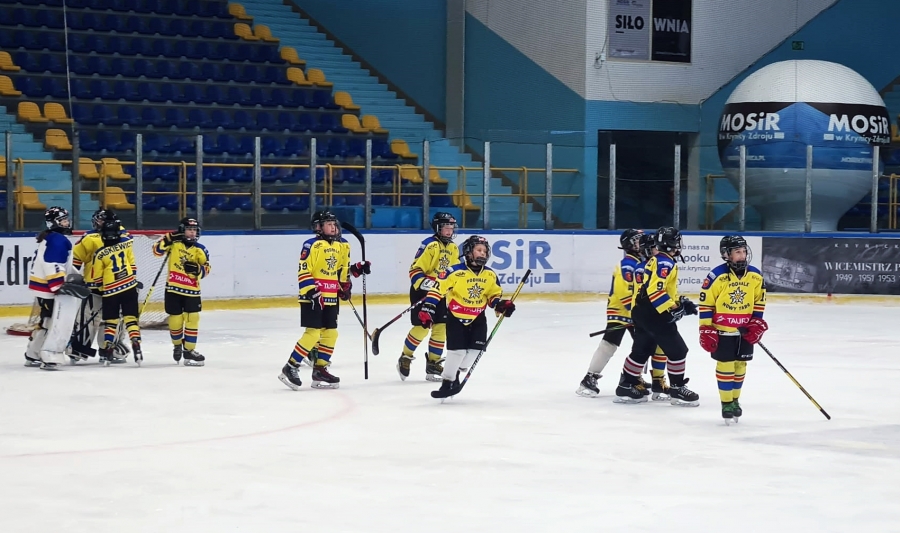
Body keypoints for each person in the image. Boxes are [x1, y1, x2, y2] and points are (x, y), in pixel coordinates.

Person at [279, 211, 370, 390]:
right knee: (313, 333)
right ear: (318, 227)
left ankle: (320, 369)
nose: (334, 227)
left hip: (331, 297)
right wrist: (312, 292)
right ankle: (290, 366)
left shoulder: (343, 245)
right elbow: (304, 270)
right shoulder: (311, 245)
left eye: (334, 223)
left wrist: (351, 277)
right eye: (329, 224)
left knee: (331, 333)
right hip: (313, 297)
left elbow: (341, 271)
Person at [419, 235, 516, 399]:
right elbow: (437, 289)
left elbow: (493, 295)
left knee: (475, 352)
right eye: (479, 250)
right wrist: (428, 307)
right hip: (455, 317)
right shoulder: (454, 272)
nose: (483, 253)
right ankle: (447, 382)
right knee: (456, 352)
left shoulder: (490, 275)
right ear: (469, 252)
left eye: (485, 251)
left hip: (478, 318)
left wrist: (500, 305)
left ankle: (456, 370)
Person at [615, 227, 699, 406]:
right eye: (677, 241)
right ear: (671, 243)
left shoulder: (656, 260)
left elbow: (655, 289)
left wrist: (679, 303)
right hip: (654, 314)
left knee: (641, 350)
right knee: (678, 350)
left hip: (642, 311)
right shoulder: (665, 263)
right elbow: (656, 291)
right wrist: (673, 307)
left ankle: (625, 386)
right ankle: (677, 389)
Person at [699, 235, 767, 422]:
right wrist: (706, 329)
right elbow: (706, 305)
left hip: (744, 331)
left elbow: (759, 302)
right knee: (726, 365)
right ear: (726, 254)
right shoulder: (717, 276)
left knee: (741, 365)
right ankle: (726, 402)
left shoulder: (755, 276)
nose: (742, 255)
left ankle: (735, 400)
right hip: (723, 331)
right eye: (738, 252)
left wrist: (756, 324)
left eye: (744, 251)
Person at [576, 229, 644, 397]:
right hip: (621, 311)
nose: (641, 243)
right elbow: (624, 292)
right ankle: (589, 378)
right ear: (630, 245)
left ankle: (634, 377)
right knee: (610, 344)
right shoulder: (627, 264)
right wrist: (637, 312)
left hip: (634, 311)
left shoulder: (639, 262)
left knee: (643, 345)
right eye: (637, 240)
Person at [398, 212, 460, 382]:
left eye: (451, 227)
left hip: (440, 293)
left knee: (441, 327)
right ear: (438, 228)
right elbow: (415, 270)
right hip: (422, 292)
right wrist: (427, 284)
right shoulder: (430, 245)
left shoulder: (453, 248)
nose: (449, 231)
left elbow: (454, 273)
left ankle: (433, 363)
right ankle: (405, 356)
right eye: (446, 227)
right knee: (422, 326)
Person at [24, 206, 87, 370]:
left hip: (43, 288)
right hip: (49, 288)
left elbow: (62, 264)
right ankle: (50, 354)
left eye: (66, 219)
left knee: (47, 320)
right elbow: (52, 263)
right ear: (53, 223)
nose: (66, 223)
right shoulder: (58, 240)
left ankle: (33, 353)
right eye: (62, 220)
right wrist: (58, 285)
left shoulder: (51, 237)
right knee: (57, 321)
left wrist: (77, 278)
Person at [70, 209, 129, 363]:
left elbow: (76, 260)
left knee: (95, 318)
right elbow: (76, 260)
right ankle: (105, 349)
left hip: (103, 285)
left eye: (103, 220)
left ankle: (86, 349)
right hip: (111, 286)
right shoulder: (124, 235)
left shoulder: (90, 237)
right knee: (108, 318)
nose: (100, 223)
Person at [152, 217, 212, 366]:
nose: (192, 233)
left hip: (192, 290)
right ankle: (177, 345)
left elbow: (207, 268)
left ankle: (189, 350)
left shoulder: (200, 249)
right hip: (173, 288)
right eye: (189, 229)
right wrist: (169, 238)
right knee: (175, 319)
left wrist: (198, 270)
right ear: (182, 230)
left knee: (193, 318)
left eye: (194, 230)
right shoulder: (174, 244)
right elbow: (156, 251)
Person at [93, 214, 142, 365]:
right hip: (129, 287)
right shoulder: (127, 243)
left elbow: (97, 278)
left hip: (111, 290)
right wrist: (131, 280)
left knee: (111, 321)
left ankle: (108, 346)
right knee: (131, 319)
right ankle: (136, 343)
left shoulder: (99, 254)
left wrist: (102, 289)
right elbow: (132, 265)